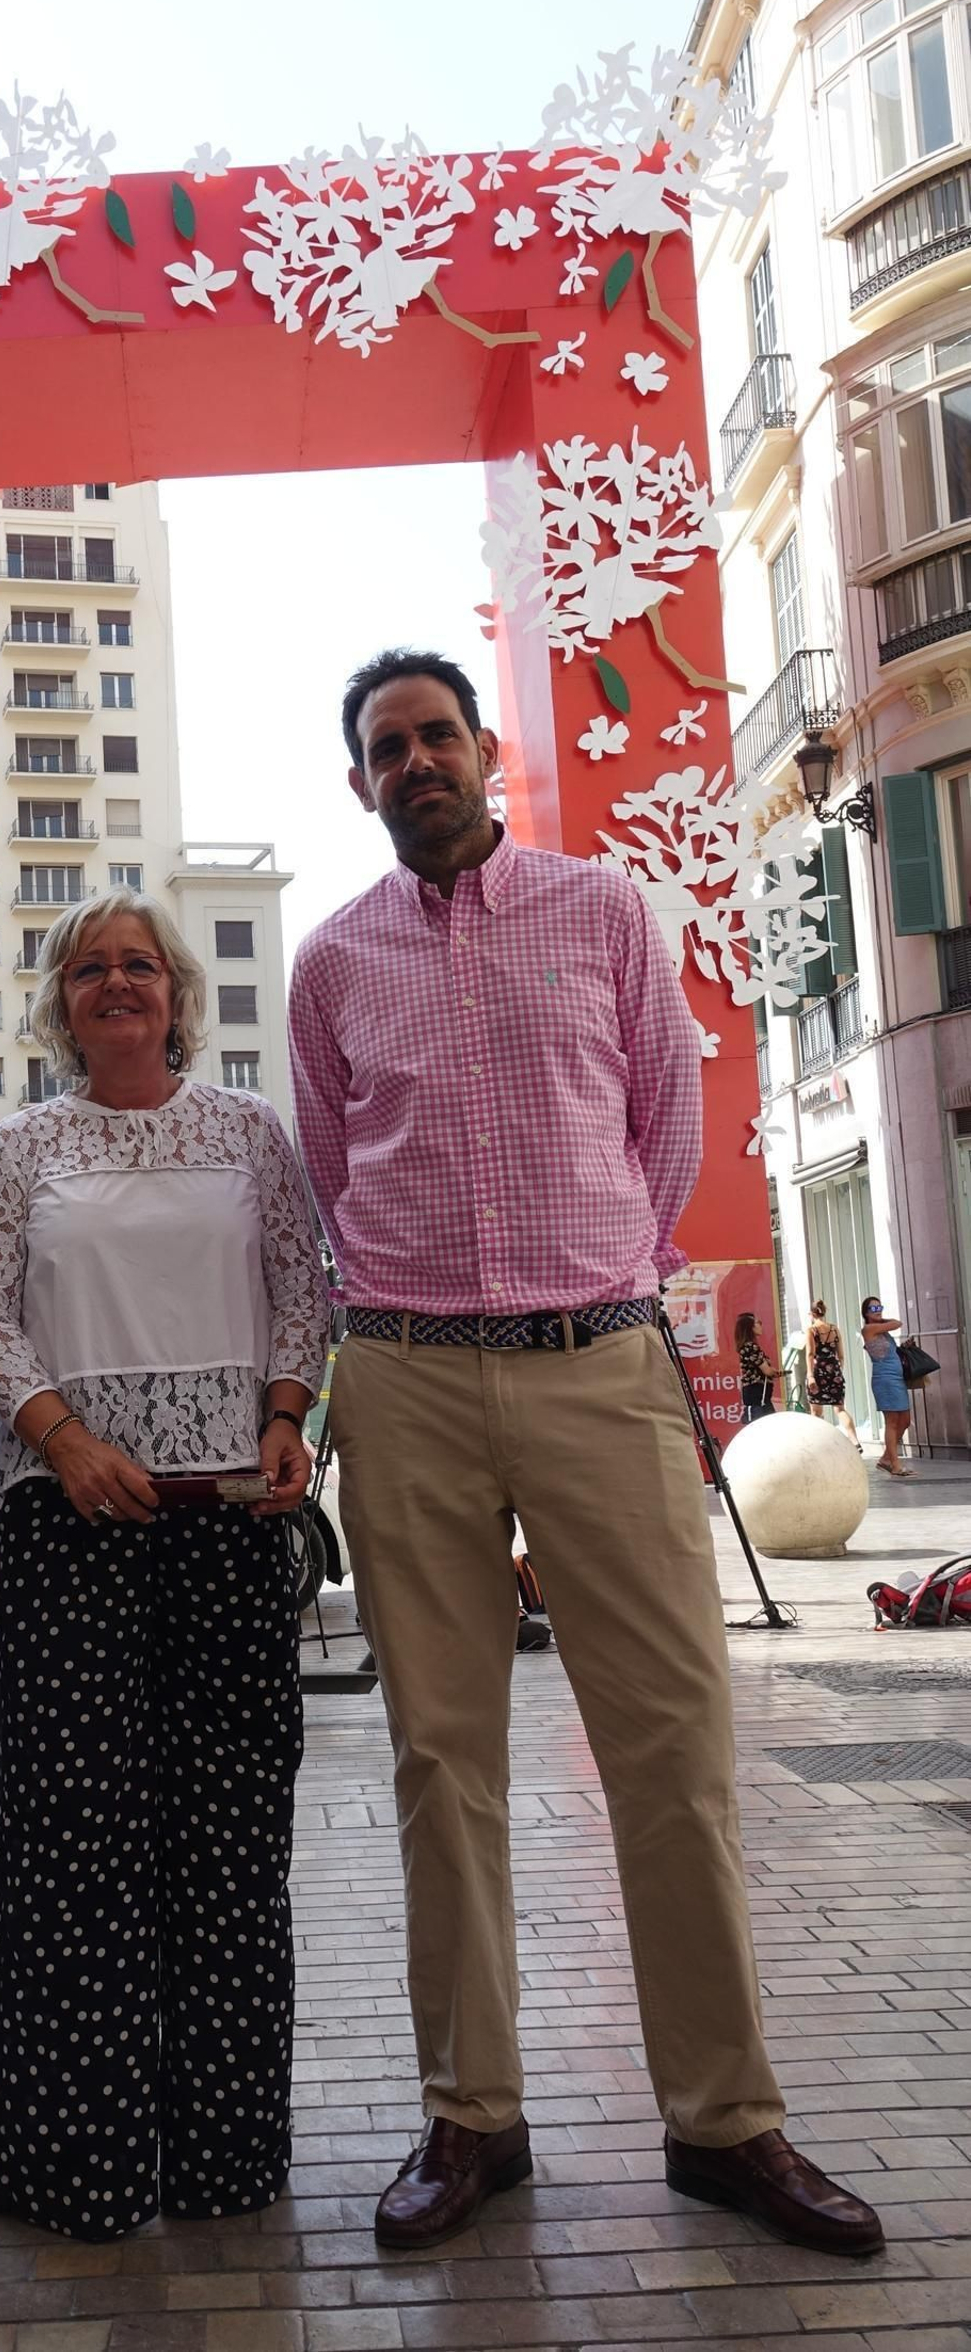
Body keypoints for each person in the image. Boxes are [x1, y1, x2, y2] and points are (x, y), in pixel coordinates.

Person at [288, 648, 882, 2260]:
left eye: (437, 736)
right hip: (405, 1380)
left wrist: (597, 1276)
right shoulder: (332, 961)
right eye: (387, 749)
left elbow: (663, 1132)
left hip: (598, 1364)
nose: (416, 763)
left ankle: (726, 2122)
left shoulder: (607, 911)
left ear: (487, 753)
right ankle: (472, 2116)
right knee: (441, 1760)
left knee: (673, 1747)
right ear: (360, 784)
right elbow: (334, 1166)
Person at [0, 888, 329, 2240]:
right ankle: (78, 2166)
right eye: (90, 969)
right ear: (62, 1004)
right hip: (74, 1525)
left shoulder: (250, 1132)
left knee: (228, 1845)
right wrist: (62, 1438)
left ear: (177, 992)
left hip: (228, 1523)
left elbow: (301, 1287)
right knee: (72, 1854)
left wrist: (287, 1414)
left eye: (141, 965)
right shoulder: (21, 1147)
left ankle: (225, 2159)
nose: (118, 984)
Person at [860, 1294, 912, 1476]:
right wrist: (882, 1319)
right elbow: (897, 1323)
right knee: (892, 1421)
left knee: (905, 1420)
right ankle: (895, 1465)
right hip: (885, 1379)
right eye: (873, 1309)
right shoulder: (869, 1328)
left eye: (879, 1307)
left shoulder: (882, 1331)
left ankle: (885, 1458)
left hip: (896, 1378)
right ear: (866, 1313)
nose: (878, 1311)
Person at [806, 1300, 861, 1447]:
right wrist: (837, 1370)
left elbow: (810, 1354)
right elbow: (841, 1355)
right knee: (840, 1409)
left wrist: (810, 1375)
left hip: (818, 1372)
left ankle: (820, 1444)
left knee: (816, 1412)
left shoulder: (811, 1330)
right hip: (834, 1371)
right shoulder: (835, 1329)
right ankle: (854, 1440)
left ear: (811, 1314)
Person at [735, 1311, 778, 1425]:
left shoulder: (747, 1347)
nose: (760, 1326)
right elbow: (767, 1371)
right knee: (762, 1423)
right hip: (757, 1394)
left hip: (757, 1393)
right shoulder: (751, 1347)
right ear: (750, 1327)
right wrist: (773, 1371)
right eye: (758, 1323)